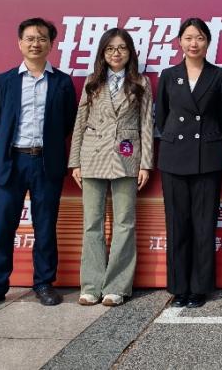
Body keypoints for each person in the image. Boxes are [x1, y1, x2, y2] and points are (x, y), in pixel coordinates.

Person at [0, 18, 78, 311]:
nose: (35, 44)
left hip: (46, 162)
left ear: (51, 45)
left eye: (42, 38)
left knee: (45, 226)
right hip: (12, 161)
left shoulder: (62, 82)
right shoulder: (4, 81)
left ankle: (43, 283)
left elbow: (67, 122)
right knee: (4, 225)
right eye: (30, 38)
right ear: (20, 43)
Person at [68, 28, 154, 307]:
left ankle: (117, 286)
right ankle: (91, 285)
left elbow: (146, 125)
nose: (116, 53)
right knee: (92, 223)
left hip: (127, 158)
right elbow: (80, 122)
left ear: (130, 52)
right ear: (103, 53)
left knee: (124, 222)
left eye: (122, 48)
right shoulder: (93, 82)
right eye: (110, 49)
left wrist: (146, 164)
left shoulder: (141, 82)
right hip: (92, 156)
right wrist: (75, 161)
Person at [155, 18, 222, 309]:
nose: (193, 43)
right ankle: (179, 287)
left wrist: (208, 137)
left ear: (208, 42)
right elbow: (162, 118)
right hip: (174, 156)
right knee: (177, 224)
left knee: (203, 224)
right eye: (188, 38)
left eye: (199, 38)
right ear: (179, 42)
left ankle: (199, 288)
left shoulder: (219, 76)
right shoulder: (168, 75)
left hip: (206, 157)